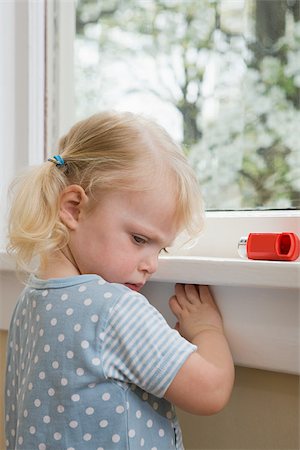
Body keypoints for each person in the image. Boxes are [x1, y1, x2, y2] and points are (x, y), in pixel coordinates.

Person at [5, 111, 234, 450]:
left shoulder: (29, 301)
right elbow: (211, 390)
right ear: (73, 208)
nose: (152, 265)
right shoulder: (114, 309)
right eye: (140, 240)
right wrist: (207, 330)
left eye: (162, 248)